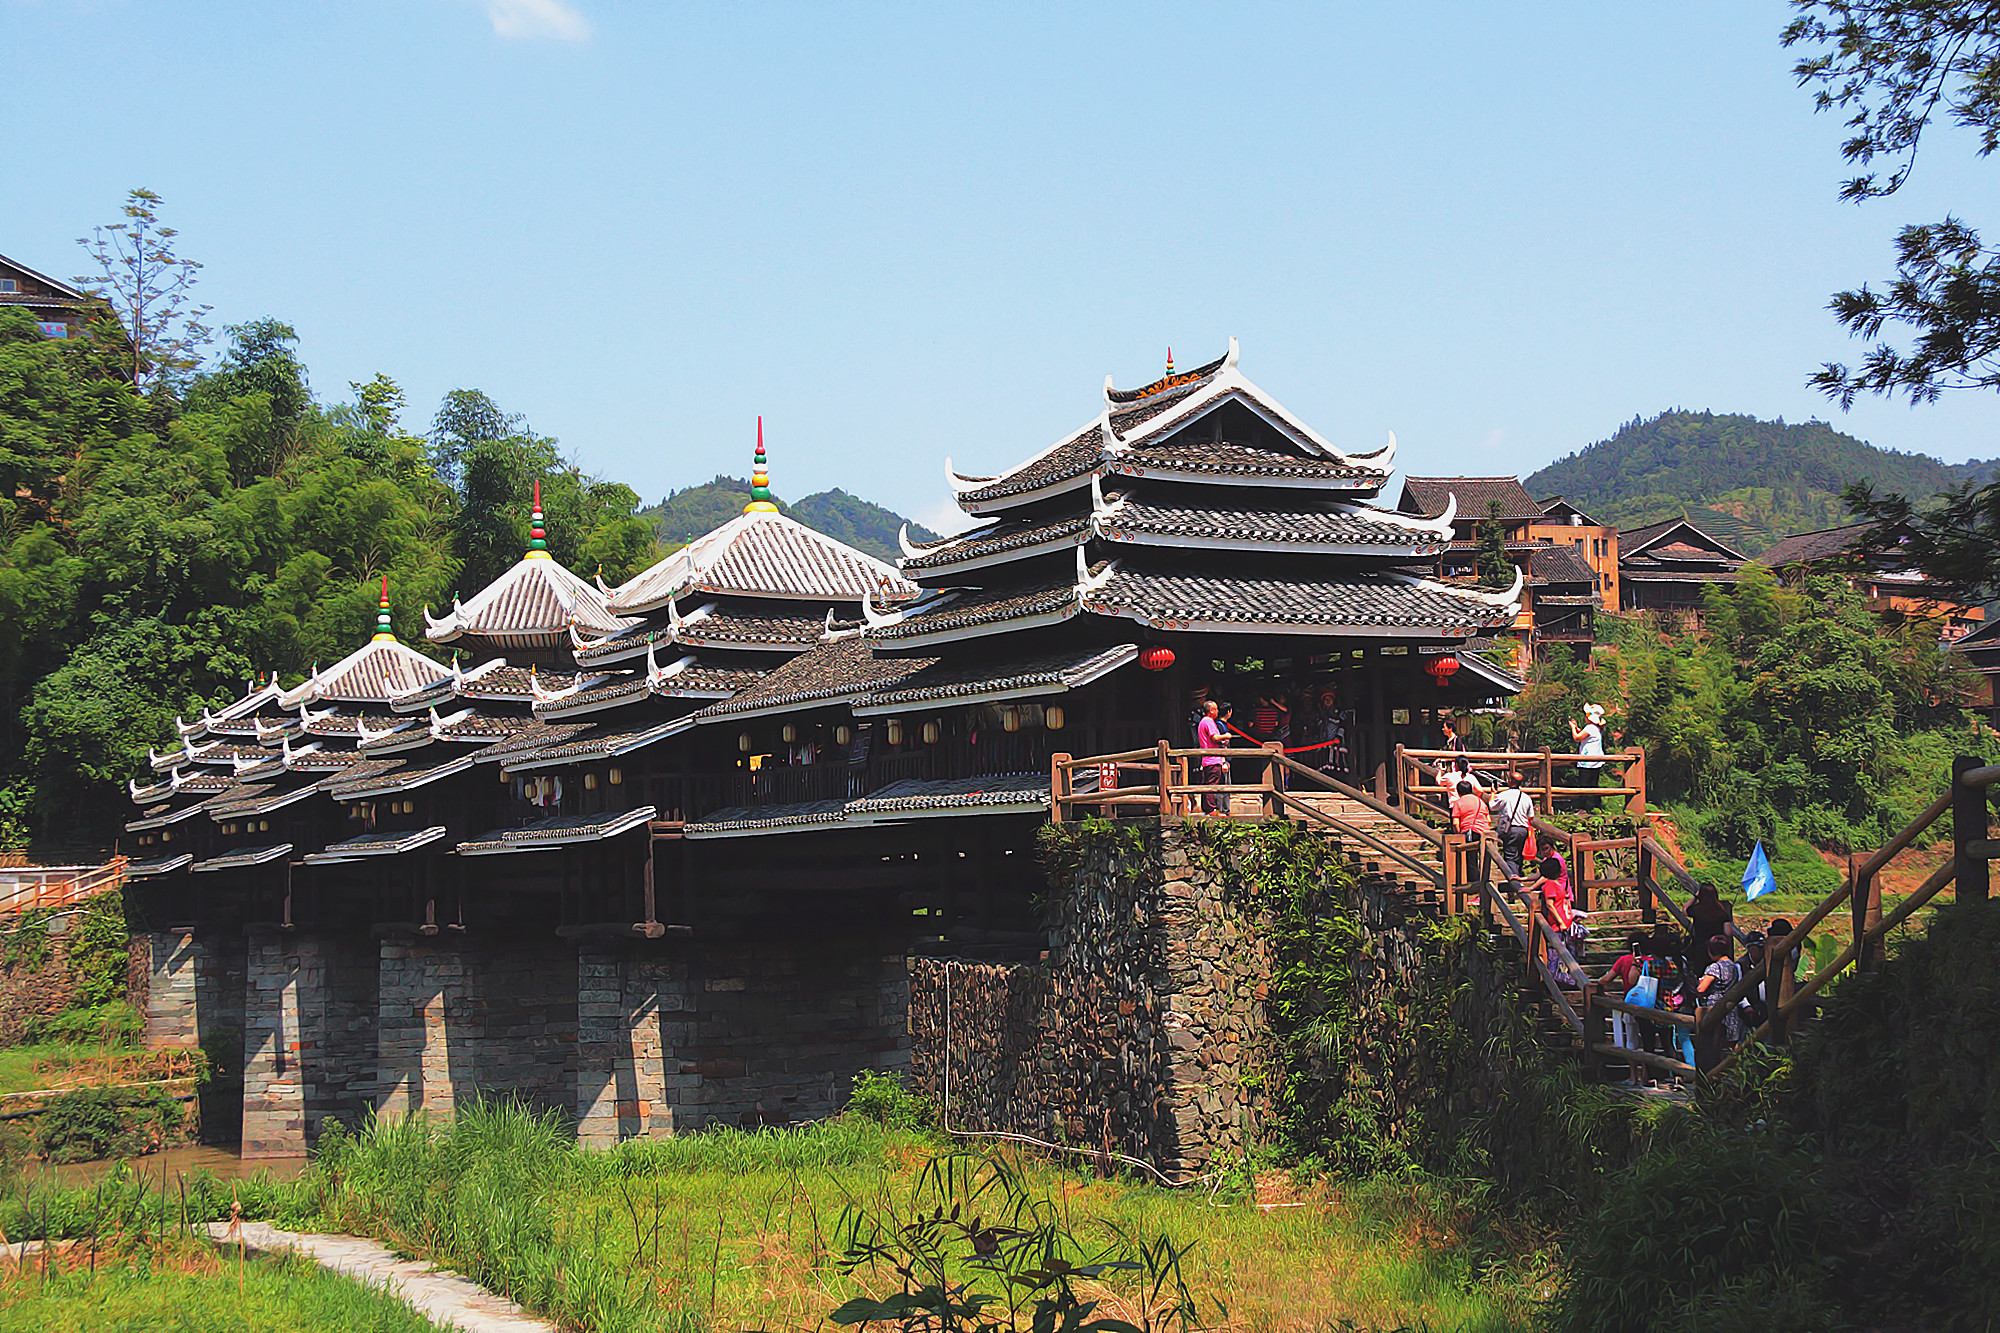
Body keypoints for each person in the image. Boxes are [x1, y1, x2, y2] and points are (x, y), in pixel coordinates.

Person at [1590, 947, 1647, 1084]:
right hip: (1651, 1005)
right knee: (1647, 1042)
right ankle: (1646, 1075)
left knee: (1631, 1040)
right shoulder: (1651, 961)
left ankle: (1633, 1076)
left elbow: (1607, 979)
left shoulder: (1624, 960)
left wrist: (1598, 982)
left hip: (1630, 1002)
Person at [1693, 935, 1746, 1072]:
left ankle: (1713, 1075)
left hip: (1714, 1010)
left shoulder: (1714, 968)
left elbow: (1701, 988)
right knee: (1730, 1046)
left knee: (1713, 1046)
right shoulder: (1734, 966)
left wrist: (1699, 983)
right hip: (1731, 1009)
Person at [1683, 882, 1742, 977]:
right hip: (1717, 947)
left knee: (1701, 974)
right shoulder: (1721, 911)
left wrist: (1695, 897)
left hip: (1700, 947)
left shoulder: (1697, 910)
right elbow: (1728, 932)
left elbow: (1685, 909)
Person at [1489, 770, 1536, 878]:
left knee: (1510, 856)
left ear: (1510, 781)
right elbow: (1531, 816)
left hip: (1510, 829)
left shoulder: (1504, 795)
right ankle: (1518, 875)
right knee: (1518, 855)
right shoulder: (1526, 797)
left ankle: (1513, 881)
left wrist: (1493, 793)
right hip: (1523, 829)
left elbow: (1492, 806)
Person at [1196, 699, 1229, 814]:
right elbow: (1214, 737)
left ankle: (1208, 808)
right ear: (1212, 711)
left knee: (1208, 783)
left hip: (1208, 759)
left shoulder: (1203, 722)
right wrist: (1225, 735)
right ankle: (1211, 809)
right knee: (1212, 784)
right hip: (1212, 758)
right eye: (1216, 709)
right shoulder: (1209, 722)